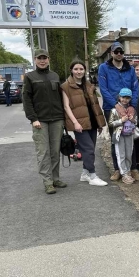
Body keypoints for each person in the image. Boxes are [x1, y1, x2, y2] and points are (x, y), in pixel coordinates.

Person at [22, 49, 66, 195]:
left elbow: (61, 98)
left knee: (55, 151)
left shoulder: (55, 75)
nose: (42, 61)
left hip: (57, 119)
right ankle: (47, 182)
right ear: (35, 60)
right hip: (40, 120)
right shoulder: (30, 77)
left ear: (48, 59)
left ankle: (55, 178)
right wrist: (33, 118)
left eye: (45, 58)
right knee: (43, 152)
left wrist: (63, 118)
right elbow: (26, 100)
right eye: (39, 58)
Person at [61, 59, 108, 187]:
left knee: (90, 149)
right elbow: (66, 107)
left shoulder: (88, 85)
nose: (79, 71)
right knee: (88, 150)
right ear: (71, 70)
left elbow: (95, 105)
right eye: (76, 69)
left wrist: (99, 123)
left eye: (81, 69)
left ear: (84, 71)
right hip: (79, 123)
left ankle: (84, 173)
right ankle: (92, 175)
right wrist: (75, 123)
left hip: (92, 121)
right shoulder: (66, 86)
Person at [98, 42, 139, 182]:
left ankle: (133, 168)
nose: (119, 54)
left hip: (129, 108)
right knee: (116, 139)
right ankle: (118, 169)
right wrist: (116, 105)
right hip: (112, 108)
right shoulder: (104, 68)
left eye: (121, 51)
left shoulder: (130, 69)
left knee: (131, 138)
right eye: (116, 51)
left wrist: (132, 106)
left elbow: (135, 88)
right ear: (111, 52)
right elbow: (103, 89)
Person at [108, 88, 138, 185]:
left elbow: (136, 121)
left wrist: (132, 120)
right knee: (120, 154)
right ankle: (124, 173)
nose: (125, 100)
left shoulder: (132, 110)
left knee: (129, 153)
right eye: (123, 97)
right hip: (119, 135)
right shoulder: (114, 110)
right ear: (119, 97)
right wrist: (121, 121)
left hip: (129, 134)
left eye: (127, 98)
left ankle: (128, 171)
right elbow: (110, 123)